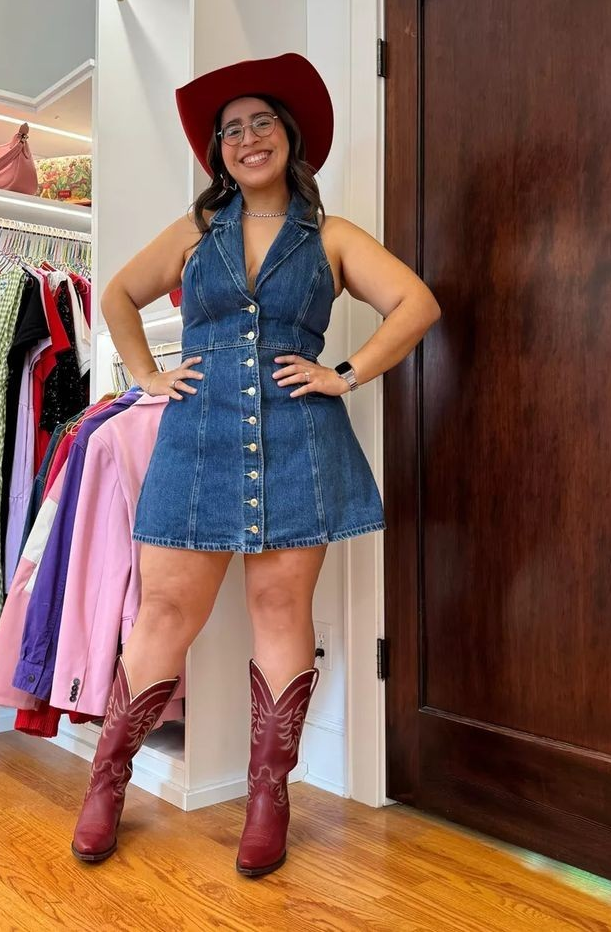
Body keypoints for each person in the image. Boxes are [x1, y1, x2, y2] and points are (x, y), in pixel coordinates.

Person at [71, 53, 441, 875]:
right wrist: (146, 378)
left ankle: (267, 797)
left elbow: (417, 304)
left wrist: (343, 373)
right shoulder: (196, 231)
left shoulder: (334, 237)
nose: (247, 138)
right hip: (195, 436)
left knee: (281, 614)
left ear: (289, 137)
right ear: (219, 153)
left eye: (260, 123)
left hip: (298, 441)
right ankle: (107, 783)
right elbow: (119, 295)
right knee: (163, 612)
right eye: (231, 129)